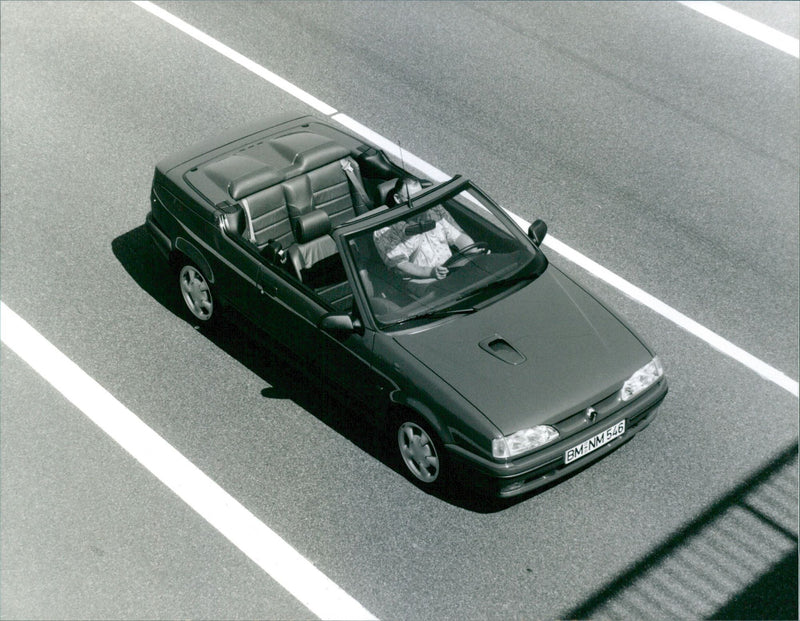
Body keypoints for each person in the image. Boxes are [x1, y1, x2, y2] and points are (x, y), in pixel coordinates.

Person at [373, 178, 475, 282]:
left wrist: (473, 251)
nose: (420, 203)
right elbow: (400, 264)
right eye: (413, 199)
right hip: (421, 282)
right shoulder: (386, 229)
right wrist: (430, 272)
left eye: (421, 196)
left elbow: (458, 236)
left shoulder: (435, 210)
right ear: (398, 199)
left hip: (451, 271)